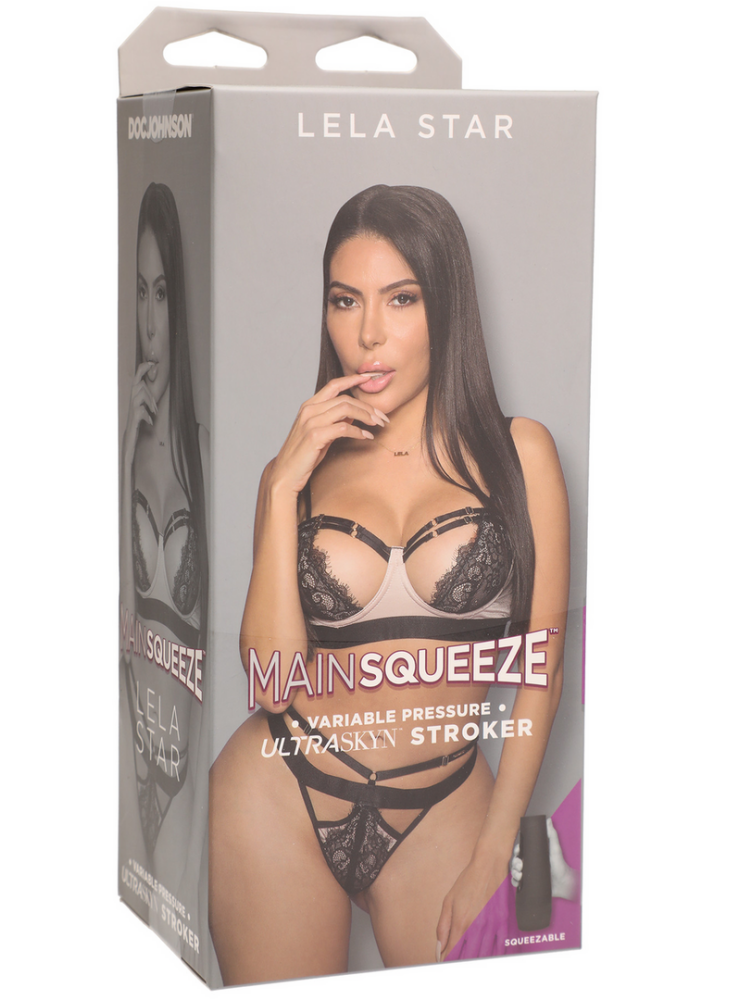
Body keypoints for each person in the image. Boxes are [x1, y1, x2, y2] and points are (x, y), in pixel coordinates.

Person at [209, 184, 569, 984]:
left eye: (400, 299)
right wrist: (280, 490)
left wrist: (496, 849)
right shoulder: (295, 475)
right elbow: (271, 683)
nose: (367, 334)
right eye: (346, 301)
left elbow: (539, 673)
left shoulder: (521, 455)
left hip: (444, 803)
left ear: (447, 305)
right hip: (279, 791)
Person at [119, 182, 208, 928]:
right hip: (133, 730)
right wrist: (125, 449)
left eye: (162, 294)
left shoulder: (204, 454)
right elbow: (121, 615)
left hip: (191, 745)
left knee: (177, 923)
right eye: (140, 294)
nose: (150, 323)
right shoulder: (126, 443)